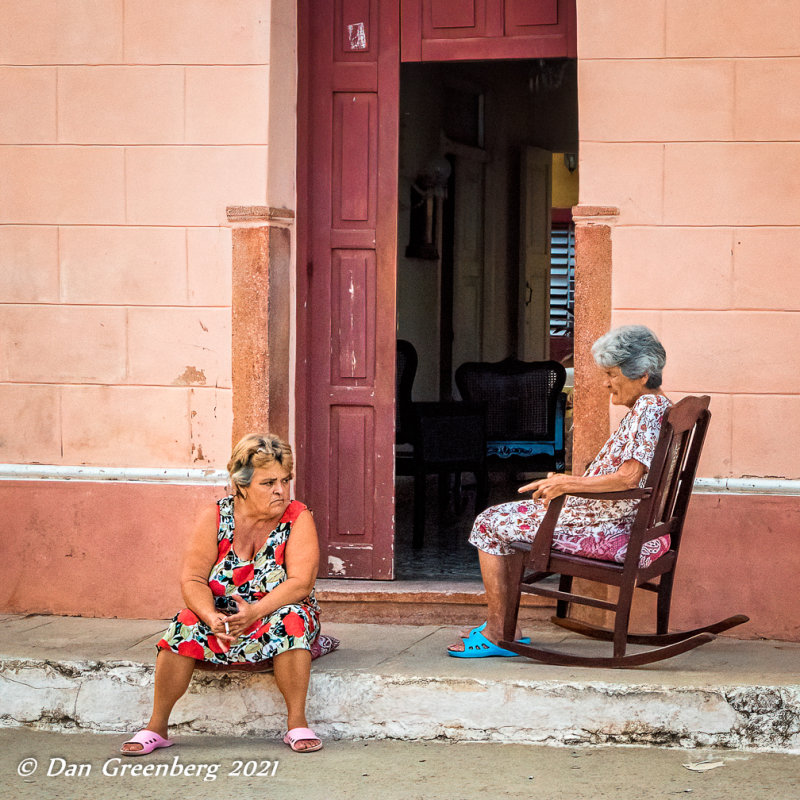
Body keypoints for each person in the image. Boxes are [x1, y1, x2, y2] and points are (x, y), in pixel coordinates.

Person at [448, 325, 671, 657]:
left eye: (612, 374)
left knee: (487, 523)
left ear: (643, 374)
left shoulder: (648, 411)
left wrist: (567, 484)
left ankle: (498, 632)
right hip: (599, 515)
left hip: (600, 525)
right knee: (497, 518)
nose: (606, 382)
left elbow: (628, 478)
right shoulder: (656, 406)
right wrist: (566, 482)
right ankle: (507, 626)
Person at [121, 433, 333, 753]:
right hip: (222, 617)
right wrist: (210, 616)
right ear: (242, 484)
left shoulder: (297, 517)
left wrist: (254, 612)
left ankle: (297, 723)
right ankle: (157, 727)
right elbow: (193, 579)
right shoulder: (216, 516)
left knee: (292, 621)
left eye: (285, 480)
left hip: (276, 610)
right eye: (268, 482)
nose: (280, 489)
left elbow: (301, 584)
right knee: (185, 623)